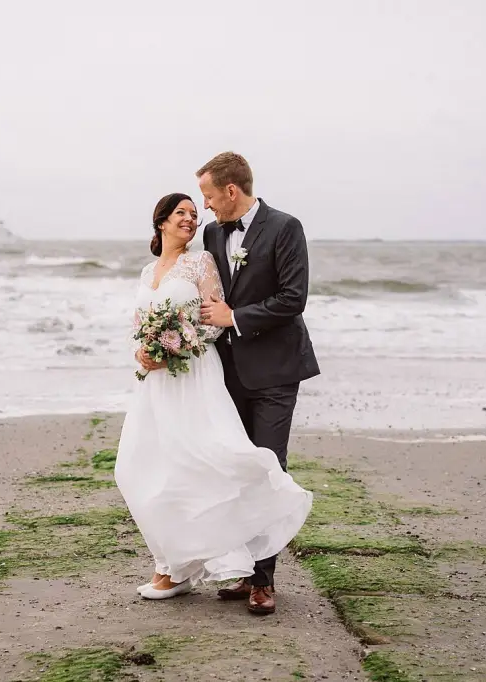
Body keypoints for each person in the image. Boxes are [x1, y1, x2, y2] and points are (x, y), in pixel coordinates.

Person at [113, 192, 312, 615]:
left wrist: (178, 345)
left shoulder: (201, 261)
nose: (193, 217)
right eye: (182, 212)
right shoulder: (148, 270)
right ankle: (174, 564)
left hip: (194, 376)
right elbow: (138, 328)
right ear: (161, 222)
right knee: (142, 467)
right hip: (156, 385)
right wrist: (144, 353)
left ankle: (247, 574)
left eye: (195, 210)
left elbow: (214, 320)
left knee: (208, 461)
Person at [197, 152, 321, 615]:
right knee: (234, 469)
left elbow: (293, 298)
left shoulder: (286, 227)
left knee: (268, 467)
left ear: (232, 191)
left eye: (209, 196)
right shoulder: (212, 233)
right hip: (227, 373)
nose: (206, 206)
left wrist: (236, 317)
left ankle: (263, 582)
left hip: (275, 371)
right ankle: (242, 568)